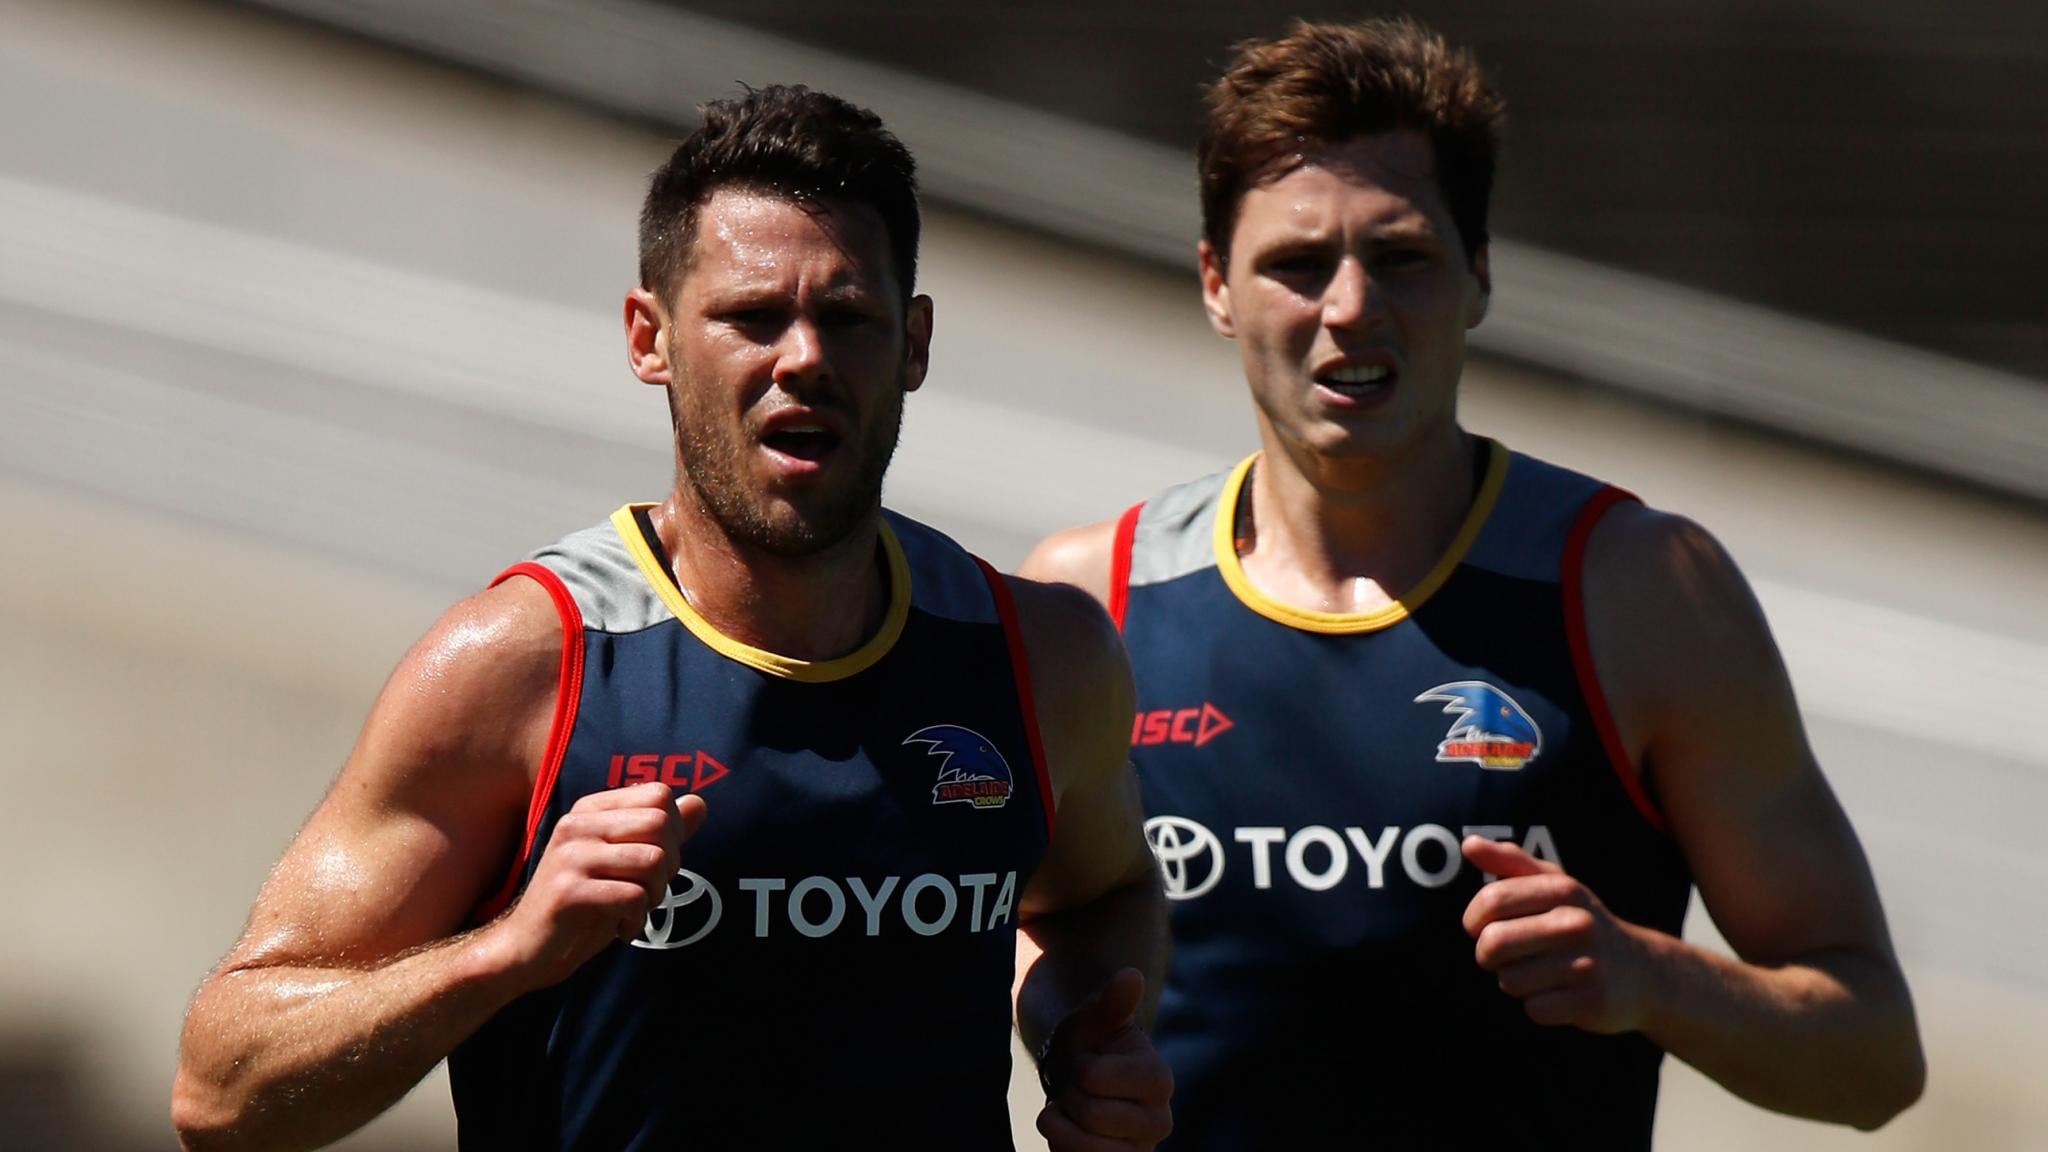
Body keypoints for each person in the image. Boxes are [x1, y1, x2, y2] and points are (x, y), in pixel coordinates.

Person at [172, 85, 1172, 1152]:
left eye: (847, 317)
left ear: (913, 345)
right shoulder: (521, 666)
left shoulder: (1035, 655)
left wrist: (1080, 1038)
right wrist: (505, 951)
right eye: (749, 317)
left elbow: (1099, 895)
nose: (802, 359)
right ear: (648, 338)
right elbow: (221, 1092)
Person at [1021, 18, 1923, 1149]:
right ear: (1214, 284)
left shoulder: (1638, 592)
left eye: (1397, 255)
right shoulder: (1089, 600)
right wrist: (1068, 1040)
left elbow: (1873, 1059)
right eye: (1296, 265)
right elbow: (1036, 936)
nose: (1348, 306)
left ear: (1480, 274)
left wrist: (1649, 978)